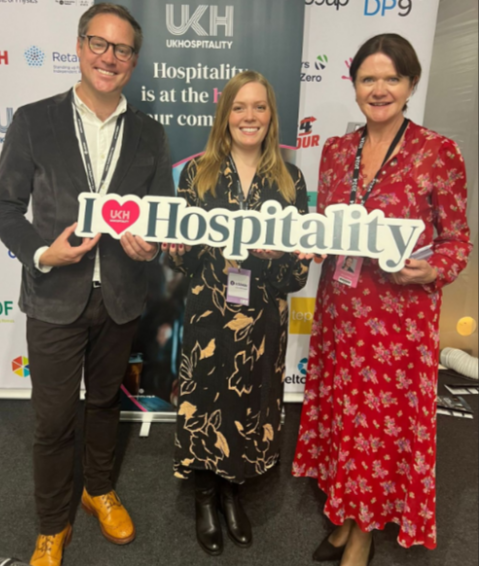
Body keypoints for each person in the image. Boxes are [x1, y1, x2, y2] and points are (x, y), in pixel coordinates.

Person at [0, 3, 174, 566]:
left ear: (134, 60)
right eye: (99, 43)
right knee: (52, 420)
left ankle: (98, 489)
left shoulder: (149, 133)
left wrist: (152, 244)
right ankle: (51, 523)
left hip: (121, 296)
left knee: (104, 403)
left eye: (122, 49)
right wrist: (42, 253)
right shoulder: (33, 120)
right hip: (53, 296)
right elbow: (3, 207)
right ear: (79, 45)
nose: (108, 57)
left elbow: (162, 215)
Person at [292, 33, 472, 565]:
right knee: (344, 419)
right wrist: (310, 244)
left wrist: (434, 269)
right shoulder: (336, 151)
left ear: (411, 84)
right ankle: (344, 513)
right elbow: (328, 225)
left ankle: (363, 532)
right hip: (340, 311)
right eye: (368, 78)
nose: (379, 89)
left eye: (391, 78)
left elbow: (457, 239)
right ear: (354, 86)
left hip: (398, 321)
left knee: (376, 427)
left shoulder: (438, 152)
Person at [163, 71, 311, 556]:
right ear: (225, 115)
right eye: (239, 107)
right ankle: (205, 496)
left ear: (271, 115)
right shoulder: (197, 173)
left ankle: (233, 492)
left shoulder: (291, 180)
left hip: (263, 318)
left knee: (251, 403)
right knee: (206, 400)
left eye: (259, 107)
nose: (250, 116)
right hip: (208, 313)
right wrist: (177, 249)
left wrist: (285, 257)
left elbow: (296, 277)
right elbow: (181, 262)